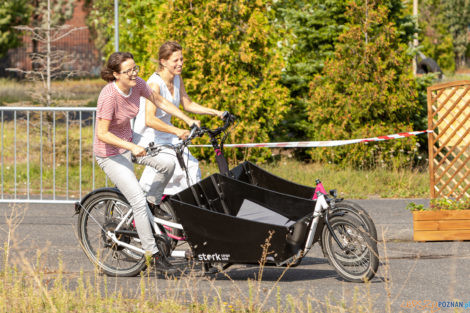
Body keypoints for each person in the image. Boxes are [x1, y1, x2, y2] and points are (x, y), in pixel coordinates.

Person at [93, 51, 199, 272]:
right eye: (128, 71)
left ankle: (152, 203)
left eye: (135, 68)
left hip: (129, 142)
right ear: (115, 75)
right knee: (137, 202)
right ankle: (154, 256)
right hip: (110, 153)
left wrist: (186, 119)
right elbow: (102, 133)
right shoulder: (108, 96)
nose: (134, 73)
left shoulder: (138, 84)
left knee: (168, 163)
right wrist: (131, 147)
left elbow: (158, 100)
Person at [133, 41, 224, 196]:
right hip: (148, 137)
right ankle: (144, 202)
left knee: (191, 167)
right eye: (175, 60)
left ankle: (175, 207)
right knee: (172, 168)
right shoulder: (155, 84)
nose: (180, 63)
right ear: (163, 62)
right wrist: (177, 130)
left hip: (167, 135)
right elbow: (150, 120)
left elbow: (187, 103)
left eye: (181, 59)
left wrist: (217, 112)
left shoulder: (176, 78)